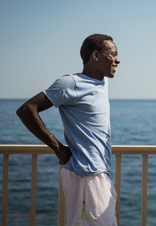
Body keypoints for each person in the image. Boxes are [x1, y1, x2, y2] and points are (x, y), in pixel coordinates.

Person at [16, 34, 120, 226]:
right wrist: (58, 148)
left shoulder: (102, 83)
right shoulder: (71, 83)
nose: (118, 60)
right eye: (112, 54)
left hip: (98, 173)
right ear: (96, 56)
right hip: (85, 175)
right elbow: (26, 110)